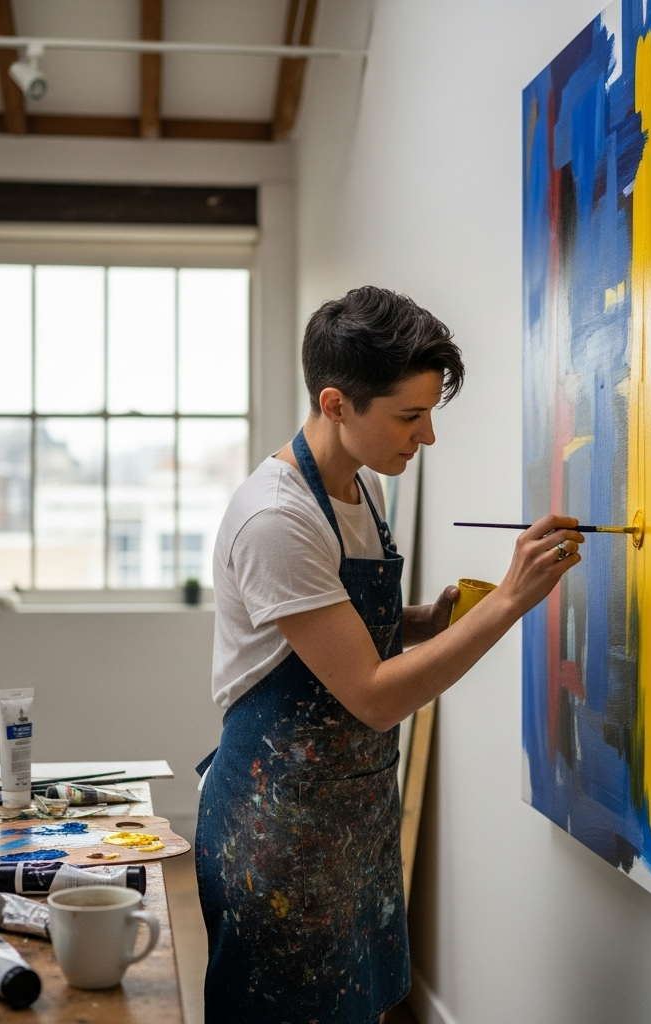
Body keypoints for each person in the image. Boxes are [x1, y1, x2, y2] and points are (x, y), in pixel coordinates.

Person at [195, 286, 583, 1023]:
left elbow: (334, 632)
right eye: (410, 416)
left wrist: (421, 621)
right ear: (337, 403)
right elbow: (372, 693)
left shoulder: (359, 489)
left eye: (429, 412)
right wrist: (509, 600)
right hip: (281, 826)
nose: (427, 437)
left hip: (351, 811)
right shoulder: (278, 519)